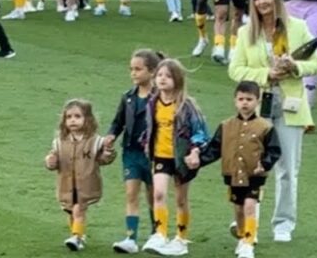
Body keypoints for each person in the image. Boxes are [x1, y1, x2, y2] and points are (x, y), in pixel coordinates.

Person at [228, 0, 317, 243]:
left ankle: (283, 224)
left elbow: (316, 63)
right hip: (257, 107)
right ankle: (249, 220)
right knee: (252, 165)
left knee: (288, 168)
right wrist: (265, 74)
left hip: (290, 105)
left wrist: (295, 67)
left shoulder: (298, 28)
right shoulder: (247, 33)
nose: (262, 2)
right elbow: (235, 70)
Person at [186, 81, 281, 258]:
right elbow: (215, 148)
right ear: (235, 101)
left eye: (249, 99)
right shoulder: (226, 126)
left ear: (257, 102)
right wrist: (198, 160)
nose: (245, 103)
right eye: (241, 99)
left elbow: (274, 150)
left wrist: (265, 164)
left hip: (255, 175)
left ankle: (248, 242)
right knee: (238, 209)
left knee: (250, 206)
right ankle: (241, 236)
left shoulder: (265, 127)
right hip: (233, 173)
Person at [140, 59, 208, 256]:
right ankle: (160, 234)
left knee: (180, 199)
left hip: (181, 158)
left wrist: (195, 150)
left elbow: (201, 132)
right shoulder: (153, 103)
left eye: (168, 76)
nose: (162, 79)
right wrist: (145, 141)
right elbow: (150, 127)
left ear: (177, 80)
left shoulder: (187, 105)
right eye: (160, 75)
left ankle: (181, 238)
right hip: (160, 156)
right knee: (158, 194)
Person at [104, 49, 161, 254]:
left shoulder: (161, 98)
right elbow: (118, 122)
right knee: (131, 194)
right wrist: (111, 135)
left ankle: (157, 234)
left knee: (154, 195)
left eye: (138, 69)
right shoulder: (128, 97)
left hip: (154, 155)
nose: (133, 74)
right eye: (131, 69)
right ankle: (131, 238)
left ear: (152, 71)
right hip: (131, 153)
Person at [44, 99, 116, 252]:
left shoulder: (95, 141)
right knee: (71, 210)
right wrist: (50, 161)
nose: (72, 120)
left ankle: (76, 236)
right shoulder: (59, 142)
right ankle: (78, 235)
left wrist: (108, 150)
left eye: (77, 116)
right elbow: (53, 159)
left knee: (78, 209)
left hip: (86, 184)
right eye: (69, 117)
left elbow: (103, 160)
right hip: (67, 185)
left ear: (87, 119)